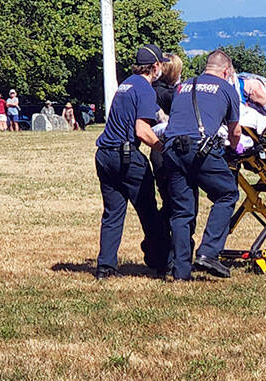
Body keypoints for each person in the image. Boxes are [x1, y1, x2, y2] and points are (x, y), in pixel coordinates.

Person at [156, 50, 243, 280]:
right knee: (227, 193)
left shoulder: (183, 86)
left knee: (182, 212)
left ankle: (181, 272)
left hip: (172, 150)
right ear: (226, 71)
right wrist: (234, 149)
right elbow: (235, 131)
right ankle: (208, 252)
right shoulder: (227, 88)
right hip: (200, 149)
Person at [92, 46, 169, 278]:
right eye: (161, 65)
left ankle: (105, 266)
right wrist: (163, 148)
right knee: (148, 211)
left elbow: (157, 115)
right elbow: (142, 130)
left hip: (104, 155)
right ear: (155, 66)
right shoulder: (146, 88)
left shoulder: (126, 85)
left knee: (113, 212)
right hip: (126, 157)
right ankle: (163, 261)